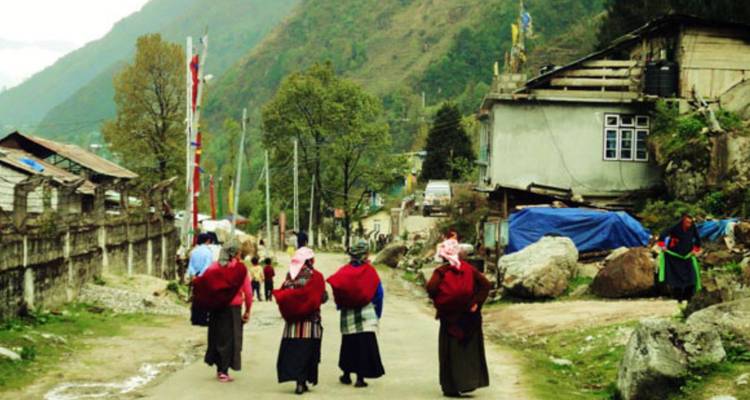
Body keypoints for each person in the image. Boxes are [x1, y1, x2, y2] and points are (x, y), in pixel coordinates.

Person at [426, 238, 491, 398]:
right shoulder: (469, 269)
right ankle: (469, 382)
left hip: (449, 319)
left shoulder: (441, 272)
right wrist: (476, 302)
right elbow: (486, 284)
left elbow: (431, 288)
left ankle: (450, 387)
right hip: (469, 317)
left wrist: (439, 302)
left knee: (449, 351)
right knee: (468, 351)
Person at [327, 240, 385, 388]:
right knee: (363, 345)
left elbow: (337, 288)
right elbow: (378, 293)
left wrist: (341, 305)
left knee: (348, 344)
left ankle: (346, 375)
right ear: (365, 254)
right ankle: (360, 378)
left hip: (348, 313)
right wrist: (377, 313)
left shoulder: (343, 271)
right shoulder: (369, 271)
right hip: (366, 313)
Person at [193, 241, 253, 383]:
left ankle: (219, 368)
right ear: (235, 254)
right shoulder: (240, 269)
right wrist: (248, 310)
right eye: (238, 252)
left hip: (216, 308)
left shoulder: (213, 267)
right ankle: (223, 371)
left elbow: (204, 284)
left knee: (217, 337)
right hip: (233, 308)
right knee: (230, 339)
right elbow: (248, 292)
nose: (240, 255)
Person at [273, 247, 328, 395]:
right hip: (310, 324)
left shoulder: (290, 275)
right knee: (308, 352)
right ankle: (302, 382)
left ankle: (298, 381)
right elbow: (322, 297)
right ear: (310, 260)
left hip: (292, 325)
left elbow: (284, 294)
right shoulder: (316, 276)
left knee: (294, 353)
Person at [658, 213, 702, 303]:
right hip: (675, 256)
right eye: (687, 222)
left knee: (691, 277)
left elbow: (698, 239)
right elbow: (663, 234)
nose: (688, 225)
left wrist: (695, 249)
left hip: (687, 255)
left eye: (690, 223)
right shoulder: (676, 226)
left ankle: (688, 297)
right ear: (683, 221)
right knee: (676, 278)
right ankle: (678, 298)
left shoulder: (692, 227)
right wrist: (663, 246)